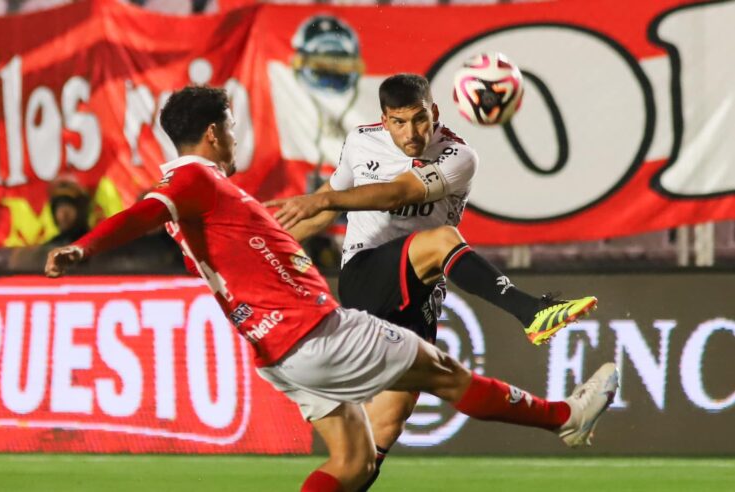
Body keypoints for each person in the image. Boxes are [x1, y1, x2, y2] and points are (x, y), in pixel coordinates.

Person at [44, 86, 618, 492]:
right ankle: (564, 418)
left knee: (355, 462)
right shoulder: (194, 177)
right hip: (314, 331)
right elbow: (141, 213)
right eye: (234, 128)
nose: (237, 138)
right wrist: (85, 247)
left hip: (277, 352)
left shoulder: (207, 195)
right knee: (444, 372)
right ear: (215, 132)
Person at [264, 73, 598, 489]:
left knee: (380, 432)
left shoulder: (459, 156)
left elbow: (397, 193)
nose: (412, 133)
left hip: (419, 295)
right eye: (399, 122)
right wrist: (259, 248)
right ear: (384, 121)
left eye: (420, 119)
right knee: (441, 240)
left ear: (434, 112)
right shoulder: (360, 142)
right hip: (365, 276)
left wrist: (323, 196)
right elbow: (323, 213)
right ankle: (532, 312)